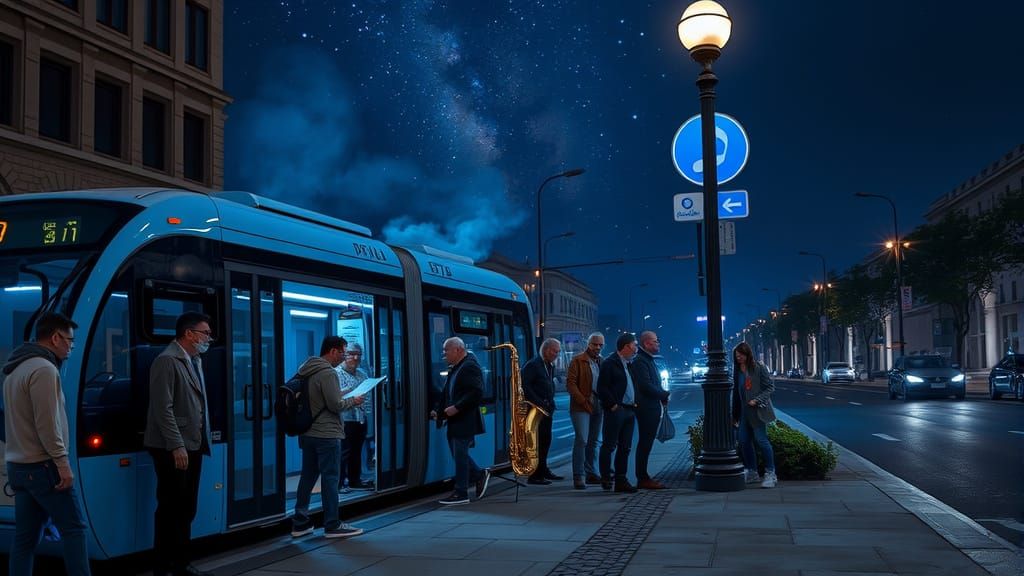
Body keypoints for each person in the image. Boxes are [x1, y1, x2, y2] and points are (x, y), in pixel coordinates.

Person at [3, 312, 92, 576]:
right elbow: (47, 424)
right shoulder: (43, 369)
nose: (71, 347)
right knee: (74, 530)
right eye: (69, 341)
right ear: (55, 338)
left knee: (24, 540)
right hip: (43, 467)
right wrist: (62, 464)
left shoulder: (15, 369)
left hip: (18, 466)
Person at [143, 311, 215, 576]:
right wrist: (176, 445)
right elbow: (163, 408)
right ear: (189, 334)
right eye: (205, 333)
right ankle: (164, 565)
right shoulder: (167, 361)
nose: (208, 338)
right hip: (172, 448)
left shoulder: (193, 360)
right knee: (171, 506)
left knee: (186, 507)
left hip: (192, 445)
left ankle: (181, 562)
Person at [292, 335, 366, 538]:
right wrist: (354, 400)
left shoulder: (306, 369)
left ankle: (300, 523)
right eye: (342, 352)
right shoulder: (328, 373)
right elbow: (336, 405)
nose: (343, 356)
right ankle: (332, 524)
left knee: (307, 477)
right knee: (330, 479)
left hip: (308, 433)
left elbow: (319, 399)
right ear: (333, 351)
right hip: (327, 433)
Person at [431, 337, 490, 505]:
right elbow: (446, 391)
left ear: (457, 350)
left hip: (465, 419)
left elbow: (476, 392)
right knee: (458, 455)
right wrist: (438, 410)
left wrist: (457, 407)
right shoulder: (458, 365)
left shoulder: (470, 365)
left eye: (446, 350)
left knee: (460, 455)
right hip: (456, 419)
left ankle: (461, 492)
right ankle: (479, 475)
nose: (443, 354)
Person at [596, 333, 639, 493]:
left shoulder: (629, 364)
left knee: (625, 447)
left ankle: (621, 479)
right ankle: (606, 477)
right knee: (609, 445)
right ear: (626, 346)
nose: (636, 349)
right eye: (634, 345)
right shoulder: (610, 363)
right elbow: (602, 387)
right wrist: (613, 405)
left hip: (629, 410)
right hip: (616, 410)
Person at [731, 341, 778, 489]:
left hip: (757, 410)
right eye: (736, 356)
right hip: (744, 412)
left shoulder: (759, 367)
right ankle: (752, 472)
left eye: (741, 355)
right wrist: (734, 414)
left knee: (761, 440)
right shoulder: (737, 370)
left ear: (747, 354)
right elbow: (736, 395)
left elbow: (770, 387)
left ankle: (771, 473)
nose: (739, 358)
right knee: (743, 441)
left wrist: (756, 400)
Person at [565, 332, 605, 489]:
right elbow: (571, 384)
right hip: (581, 407)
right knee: (582, 440)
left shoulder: (603, 361)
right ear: (588, 344)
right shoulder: (578, 360)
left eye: (600, 345)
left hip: (598, 405)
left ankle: (591, 473)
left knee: (594, 442)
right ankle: (578, 476)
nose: (597, 347)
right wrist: (583, 400)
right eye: (595, 344)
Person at [632, 331, 670, 490]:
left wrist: (661, 394)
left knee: (646, 443)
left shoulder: (647, 359)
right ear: (647, 343)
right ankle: (642, 477)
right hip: (646, 408)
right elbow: (645, 385)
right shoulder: (641, 361)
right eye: (656, 341)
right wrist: (663, 394)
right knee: (645, 443)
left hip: (652, 406)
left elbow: (654, 382)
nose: (658, 343)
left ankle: (644, 476)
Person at [521, 338, 562, 485]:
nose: (556, 354)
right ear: (546, 350)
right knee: (536, 443)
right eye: (554, 351)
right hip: (536, 410)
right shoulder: (533, 365)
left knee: (545, 441)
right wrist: (539, 402)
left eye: (558, 351)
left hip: (546, 410)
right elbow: (524, 387)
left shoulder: (548, 365)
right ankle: (534, 475)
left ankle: (543, 469)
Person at [337, 343, 372, 491]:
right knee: (344, 452)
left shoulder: (362, 373)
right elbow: (334, 396)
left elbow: (367, 394)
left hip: (360, 417)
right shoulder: (336, 373)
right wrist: (350, 392)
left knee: (357, 451)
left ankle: (354, 480)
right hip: (345, 418)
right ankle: (339, 483)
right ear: (345, 355)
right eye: (352, 354)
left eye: (358, 354)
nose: (356, 357)